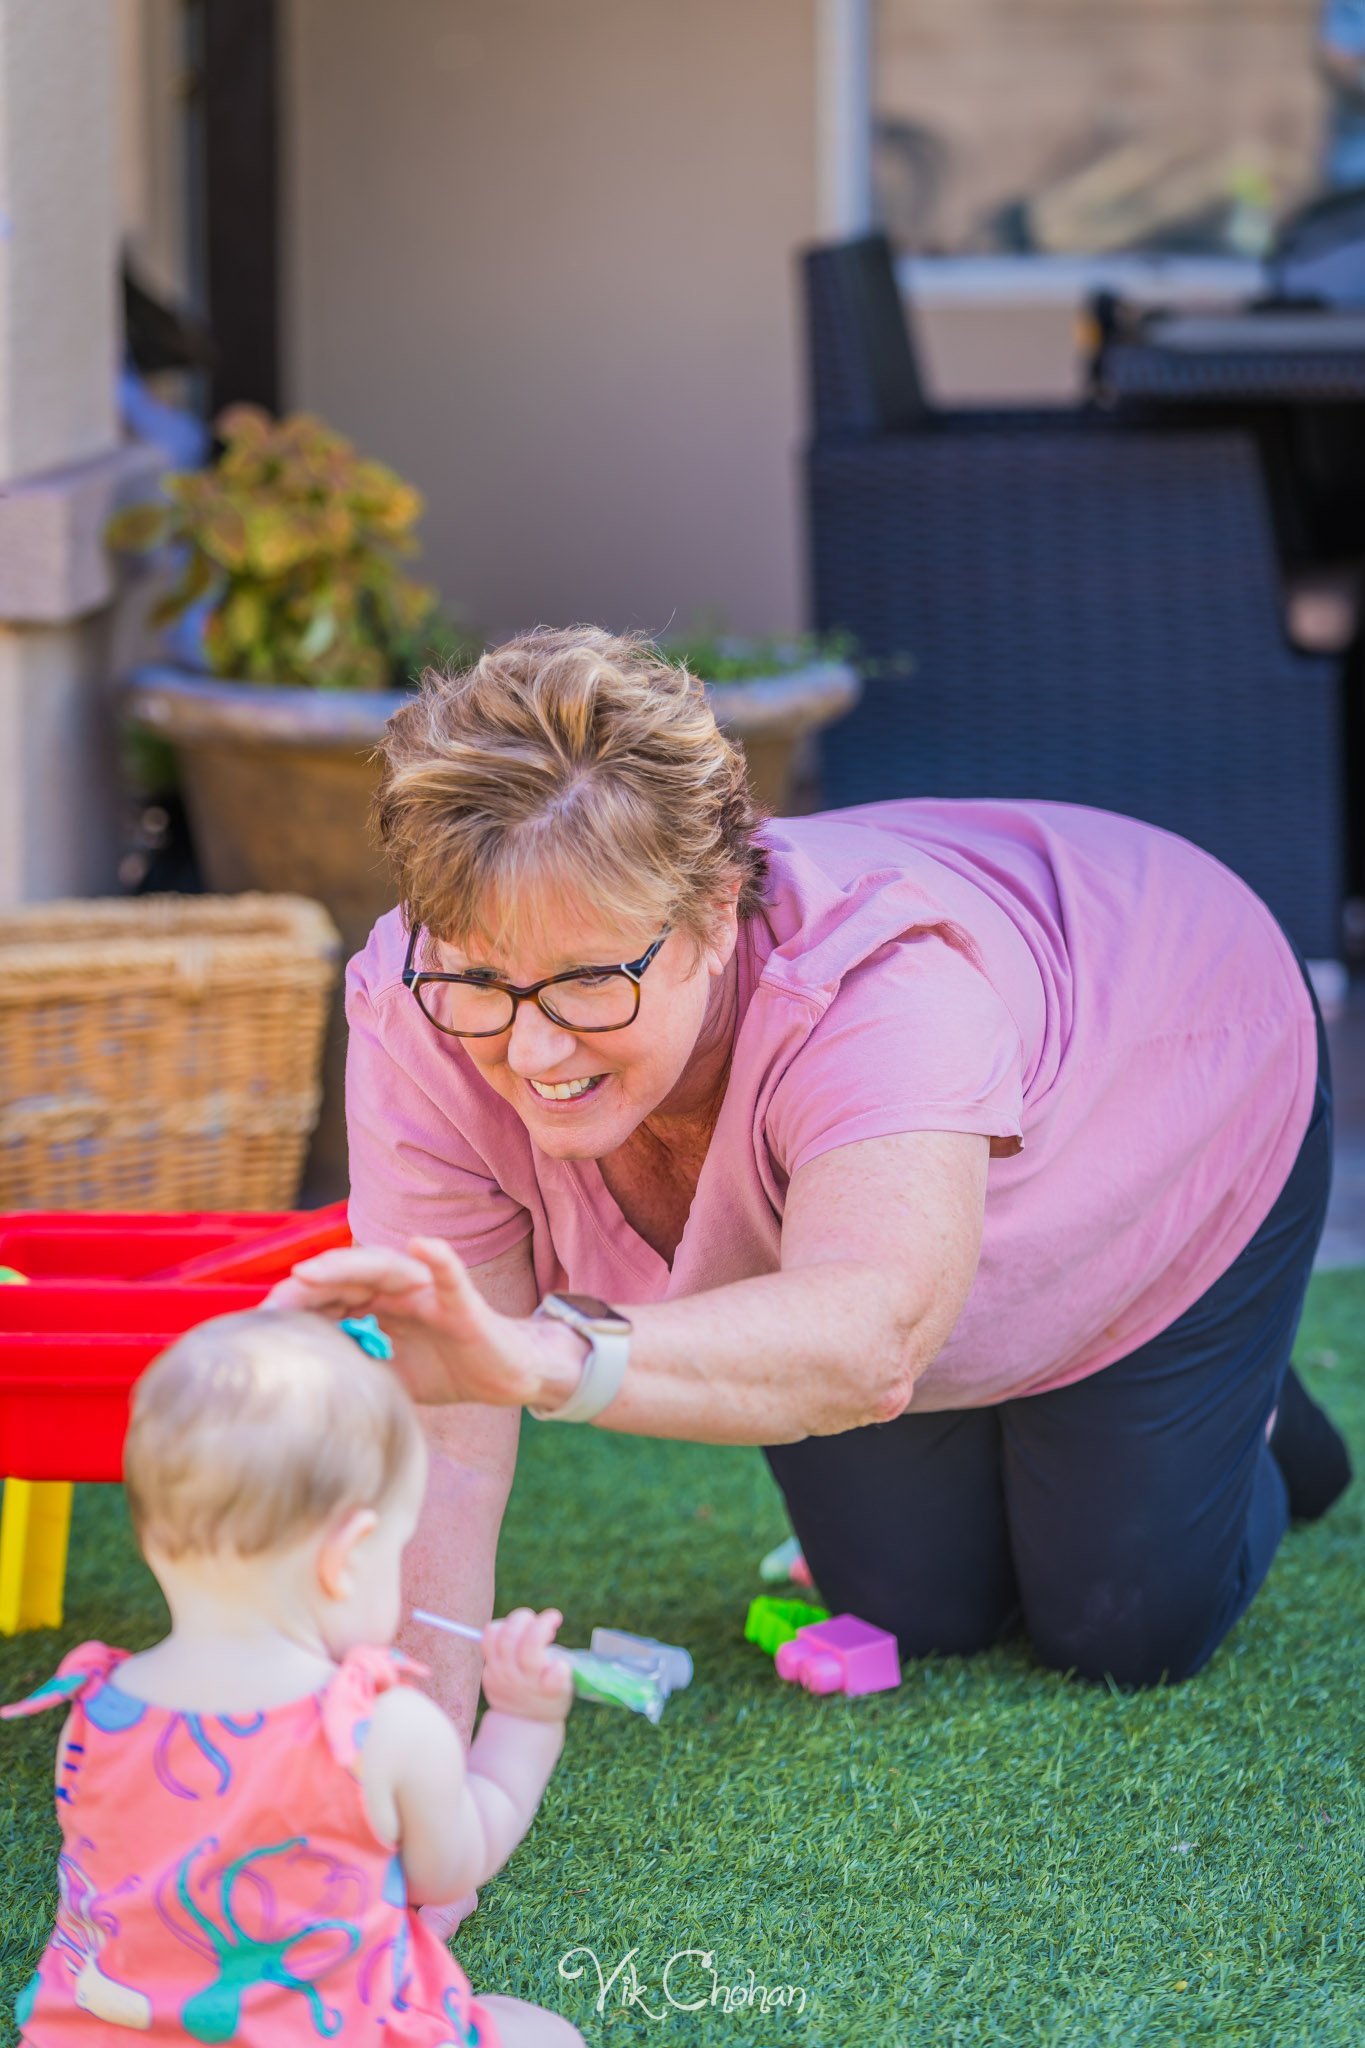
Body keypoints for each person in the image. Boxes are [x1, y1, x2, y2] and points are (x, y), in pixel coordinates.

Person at [276, 625, 1351, 1748]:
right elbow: (445, 1429)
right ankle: (1150, 1415)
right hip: (899, 1232)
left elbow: (872, 1334)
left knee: (1122, 1628)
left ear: (713, 909)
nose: (535, 1052)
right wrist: (411, 1768)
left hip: (1180, 1073)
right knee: (914, 1611)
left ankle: (1246, 1398)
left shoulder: (883, 991)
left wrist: (547, 1353)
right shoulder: (418, 1000)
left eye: (589, 980)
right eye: (484, 976)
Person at [2, 1309, 584, 2048]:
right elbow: (451, 1866)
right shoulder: (378, 1726)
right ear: (348, 1556)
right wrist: (525, 1722)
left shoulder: (93, 1708)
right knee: (544, 2034)